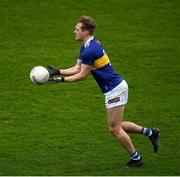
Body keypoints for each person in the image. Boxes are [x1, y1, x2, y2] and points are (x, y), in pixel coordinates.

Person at [47, 15, 160, 168]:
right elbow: (77, 68)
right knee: (117, 125)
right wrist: (57, 71)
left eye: (77, 29)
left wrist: (60, 81)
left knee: (114, 128)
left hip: (115, 89)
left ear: (85, 32)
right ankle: (151, 133)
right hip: (115, 87)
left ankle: (136, 159)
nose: (74, 31)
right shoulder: (87, 45)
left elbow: (82, 76)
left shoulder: (90, 50)